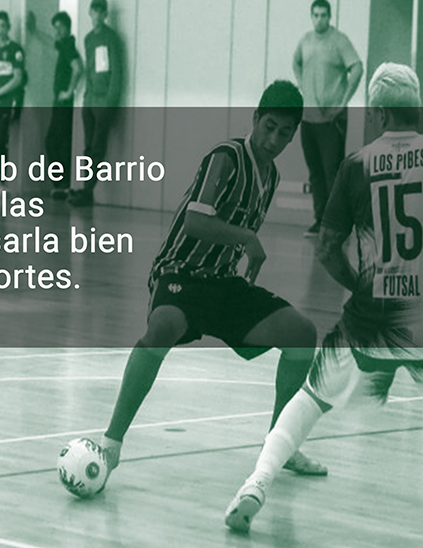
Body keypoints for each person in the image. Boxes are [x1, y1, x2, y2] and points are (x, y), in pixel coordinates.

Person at [225, 63, 423, 534]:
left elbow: (327, 249)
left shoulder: (356, 165)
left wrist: (360, 287)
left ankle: (256, 483)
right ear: (417, 108)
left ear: (379, 113)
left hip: (369, 321)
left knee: (311, 397)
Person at [99, 80, 327, 490]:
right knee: (162, 328)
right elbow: (195, 222)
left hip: (221, 282)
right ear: (255, 119)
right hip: (180, 272)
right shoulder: (226, 157)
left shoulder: (271, 176)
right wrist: (247, 239)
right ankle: (110, 445)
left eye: (284, 133)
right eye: (269, 127)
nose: (274, 140)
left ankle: (281, 445)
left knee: (302, 333)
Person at [293, 0, 362, 237]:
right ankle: (321, 219)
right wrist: (302, 84)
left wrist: (342, 102)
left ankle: (337, 222)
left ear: (329, 17)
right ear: (311, 16)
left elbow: (357, 67)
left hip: (332, 120)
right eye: (316, 15)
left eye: (323, 15)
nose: (319, 19)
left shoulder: (339, 41)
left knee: (333, 172)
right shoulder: (306, 40)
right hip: (309, 118)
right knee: (315, 173)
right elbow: (296, 62)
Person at [68, 0, 123, 207]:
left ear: (105, 14)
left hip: (104, 102)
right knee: (88, 147)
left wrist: (110, 100)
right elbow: (90, 68)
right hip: (90, 100)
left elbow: (116, 71)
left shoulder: (111, 38)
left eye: (101, 11)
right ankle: (86, 188)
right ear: (90, 13)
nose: (98, 15)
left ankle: (88, 189)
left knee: (97, 147)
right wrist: (86, 98)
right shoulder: (89, 39)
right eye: (95, 11)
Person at [0, 10, 26, 196]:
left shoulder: (15, 50)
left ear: (8, 27)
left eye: (3, 25)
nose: (0, 29)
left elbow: (17, 78)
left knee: (1, 141)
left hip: (7, 103)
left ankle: (2, 183)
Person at [45, 11, 83, 200]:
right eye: (55, 28)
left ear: (68, 28)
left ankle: (62, 183)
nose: (57, 31)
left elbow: (78, 67)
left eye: (60, 27)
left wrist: (69, 91)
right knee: (61, 142)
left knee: (53, 142)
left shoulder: (68, 47)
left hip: (63, 104)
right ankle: (63, 184)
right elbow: (49, 41)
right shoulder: (62, 46)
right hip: (59, 103)